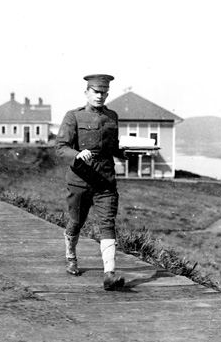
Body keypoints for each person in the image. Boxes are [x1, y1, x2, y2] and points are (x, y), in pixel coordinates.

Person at [55, 74, 127, 291]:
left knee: (107, 223)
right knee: (76, 221)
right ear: (86, 93)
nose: (100, 96)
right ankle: (70, 256)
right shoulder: (73, 116)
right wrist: (77, 154)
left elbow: (113, 147)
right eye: (95, 92)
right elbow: (61, 148)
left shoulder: (112, 117)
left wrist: (129, 152)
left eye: (104, 92)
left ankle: (109, 274)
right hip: (80, 180)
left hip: (105, 180)